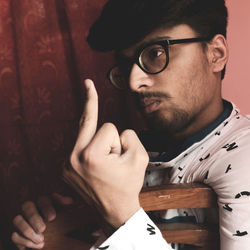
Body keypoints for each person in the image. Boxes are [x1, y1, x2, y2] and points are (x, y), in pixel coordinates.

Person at [11, 0, 250, 249]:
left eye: (156, 53)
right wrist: (54, 235)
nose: (134, 82)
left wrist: (122, 217)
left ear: (216, 54)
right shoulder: (121, 159)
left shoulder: (244, 156)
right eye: (126, 66)